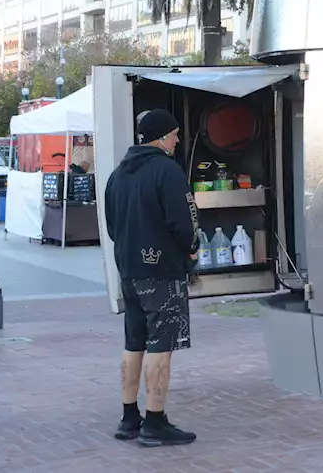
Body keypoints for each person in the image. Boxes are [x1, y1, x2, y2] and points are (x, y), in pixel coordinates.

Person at [104, 108, 200, 447]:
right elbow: (185, 222)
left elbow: (112, 226)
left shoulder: (118, 175)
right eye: (173, 134)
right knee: (162, 344)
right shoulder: (167, 171)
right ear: (160, 137)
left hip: (129, 270)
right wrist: (191, 249)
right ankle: (155, 422)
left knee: (134, 342)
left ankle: (130, 417)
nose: (176, 140)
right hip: (162, 272)